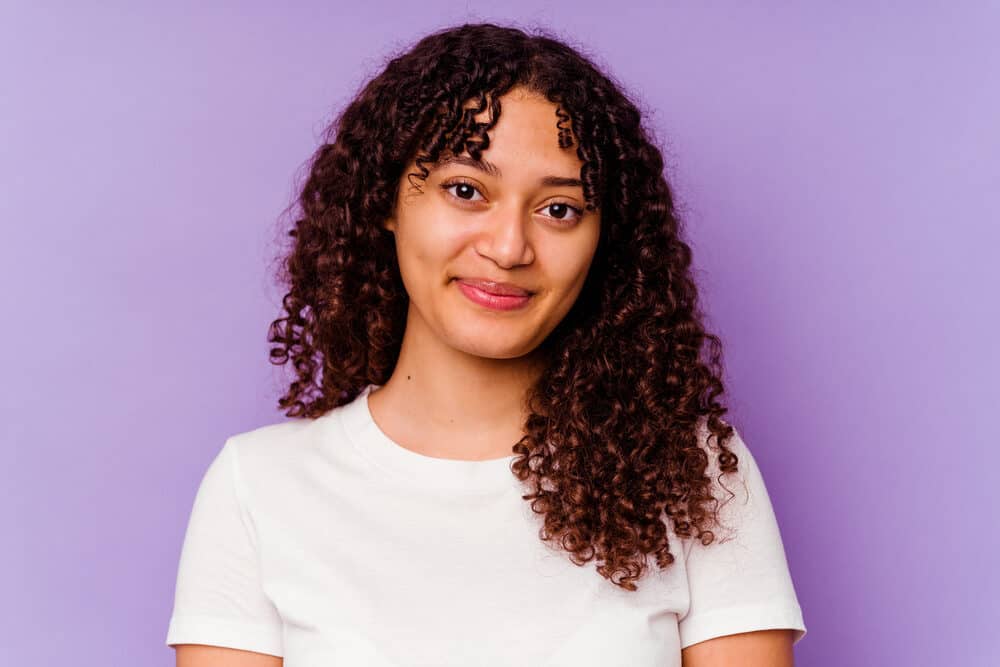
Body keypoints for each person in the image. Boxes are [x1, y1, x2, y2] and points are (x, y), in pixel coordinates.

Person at [165, 21, 806, 667]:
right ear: (387, 199)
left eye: (560, 208)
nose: (508, 247)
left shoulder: (693, 471)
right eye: (466, 190)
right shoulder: (259, 486)